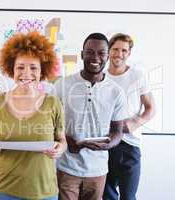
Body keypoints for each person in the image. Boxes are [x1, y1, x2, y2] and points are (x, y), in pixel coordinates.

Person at [0, 31, 67, 200]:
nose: (26, 73)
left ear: (42, 71)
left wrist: (60, 149)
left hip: (43, 191)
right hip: (4, 190)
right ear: (11, 69)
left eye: (33, 67)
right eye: (20, 67)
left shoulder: (53, 103)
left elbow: (61, 140)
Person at [52, 32, 127, 200]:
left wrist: (108, 144)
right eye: (90, 52)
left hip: (98, 170)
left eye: (101, 53)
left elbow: (118, 131)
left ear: (107, 56)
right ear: (81, 54)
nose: (95, 57)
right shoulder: (62, 85)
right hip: (67, 167)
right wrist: (65, 140)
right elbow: (50, 123)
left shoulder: (116, 91)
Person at [103, 33, 155, 200]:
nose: (119, 54)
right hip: (107, 143)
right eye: (116, 49)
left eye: (124, 50)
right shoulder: (101, 77)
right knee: (107, 194)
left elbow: (151, 108)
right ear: (109, 51)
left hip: (130, 145)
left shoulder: (137, 76)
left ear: (129, 53)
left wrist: (134, 124)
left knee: (128, 196)